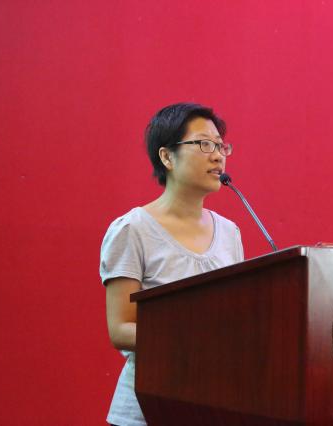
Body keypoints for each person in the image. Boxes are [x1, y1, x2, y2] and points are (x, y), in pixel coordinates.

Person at [99, 103, 244, 426]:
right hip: (146, 411)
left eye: (221, 146)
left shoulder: (229, 233)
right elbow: (120, 329)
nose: (218, 156)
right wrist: (195, 337)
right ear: (167, 157)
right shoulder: (133, 229)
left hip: (212, 406)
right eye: (204, 144)